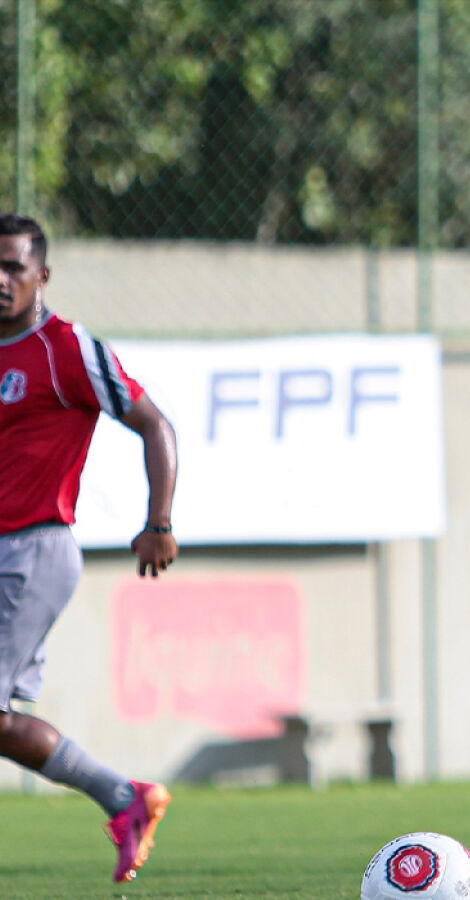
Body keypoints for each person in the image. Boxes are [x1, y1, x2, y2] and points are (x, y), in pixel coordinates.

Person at [0, 214, 178, 884]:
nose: (1, 280)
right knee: (4, 724)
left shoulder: (66, 348)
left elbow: (154, 424)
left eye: (14, 267)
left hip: (33, 550)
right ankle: (124, 797)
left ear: (41, 276)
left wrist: (158, 520)